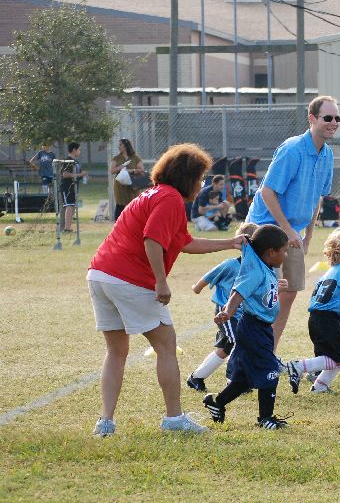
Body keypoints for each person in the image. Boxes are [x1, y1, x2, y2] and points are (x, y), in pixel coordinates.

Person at [87, 143, 247, 437]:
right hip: (128, 278)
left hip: (100, 274)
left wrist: (230, 243)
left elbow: (184, 242)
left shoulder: (153, 194)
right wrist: (161, 281)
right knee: (166, 344)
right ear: (188, 178)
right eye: (200, 178)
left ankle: (105, 422)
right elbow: (152, 240)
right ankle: (173, 418)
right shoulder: (171, 199)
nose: (202, 184)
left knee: (116, 350)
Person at [247, 95, 337, 348]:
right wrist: (287, 230)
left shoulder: (327, 155)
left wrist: (307, 237)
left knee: (290, 291)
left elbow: (317, 198)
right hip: (265, 229)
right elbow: (267, 192)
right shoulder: (293, 149)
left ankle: (269, 352)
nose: (333, 123)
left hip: (293, 232)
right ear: (312, 118)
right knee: (266, 295)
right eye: (327, 118)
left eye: (337, 118)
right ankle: (248, 353)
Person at [202, 225, 295, 430]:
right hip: (253, 328)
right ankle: (265, 418)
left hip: (262, 329)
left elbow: (262, 295)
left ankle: (217, 402)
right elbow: (238, 292)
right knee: (270, 370)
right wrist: (228, 311)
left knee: (245, 378)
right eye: (284, 250)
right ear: (271, 252)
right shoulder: (255, 272)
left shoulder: (266, 268)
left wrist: (276, 288)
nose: (286, 255)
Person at [285, 229, 340, 394]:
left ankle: (320, 386)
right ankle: (298, 366)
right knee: (336, 357)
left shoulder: (333, 270)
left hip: (317, 318)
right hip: (330, 320)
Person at [186, 221, 259, 392]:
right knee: (238, 342)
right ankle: (234, 381)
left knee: (225, 348)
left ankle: (196, 378)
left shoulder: (256, 268)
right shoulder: (230, 265)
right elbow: (208, 277)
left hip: (241, 315)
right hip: (225, 313)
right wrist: (197, 288)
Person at [110, 138, 145, 221]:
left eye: (120, 145)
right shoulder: (117, 158)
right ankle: (118, 223)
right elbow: (112, 171)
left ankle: (134, 222)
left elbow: (141, 169)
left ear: (126, 146)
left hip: (133, 184)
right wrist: (120, 167)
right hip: (120, 185)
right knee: (120, 205)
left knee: (134, 204)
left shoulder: (135, 157)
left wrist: (131, 170)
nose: (118, 147)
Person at [60, 142, 85, 232]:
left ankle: (69, 227)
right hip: (67, 187)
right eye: (79, 150)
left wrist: (83, 175)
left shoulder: (76, 162)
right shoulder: (68, 161)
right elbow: (65, 174)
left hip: (74, 187)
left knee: (72, 206)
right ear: (74, 150)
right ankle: (66, 228)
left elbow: (79, 174)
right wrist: (79, 175)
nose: (79, 152)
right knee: (69, 206)